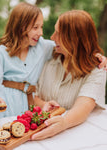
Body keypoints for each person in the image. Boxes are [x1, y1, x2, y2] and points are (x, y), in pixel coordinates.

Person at [0, 2, 107, 120]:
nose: (41, 32)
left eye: (41, 27)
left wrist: (96, 55)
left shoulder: (43, 47)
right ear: (21, 27)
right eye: (35, 27)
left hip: (24, 108)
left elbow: (73, 47)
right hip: (4, 104)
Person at [31, 10, 107, 140]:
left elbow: (83, 106)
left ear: (75, 39)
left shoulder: (97, 69)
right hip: (44, 132)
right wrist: (43, 104)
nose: (52, 37)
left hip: (82, 138)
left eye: (58, 33)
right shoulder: (50, 61)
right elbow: (33, 95)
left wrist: (64, 122)